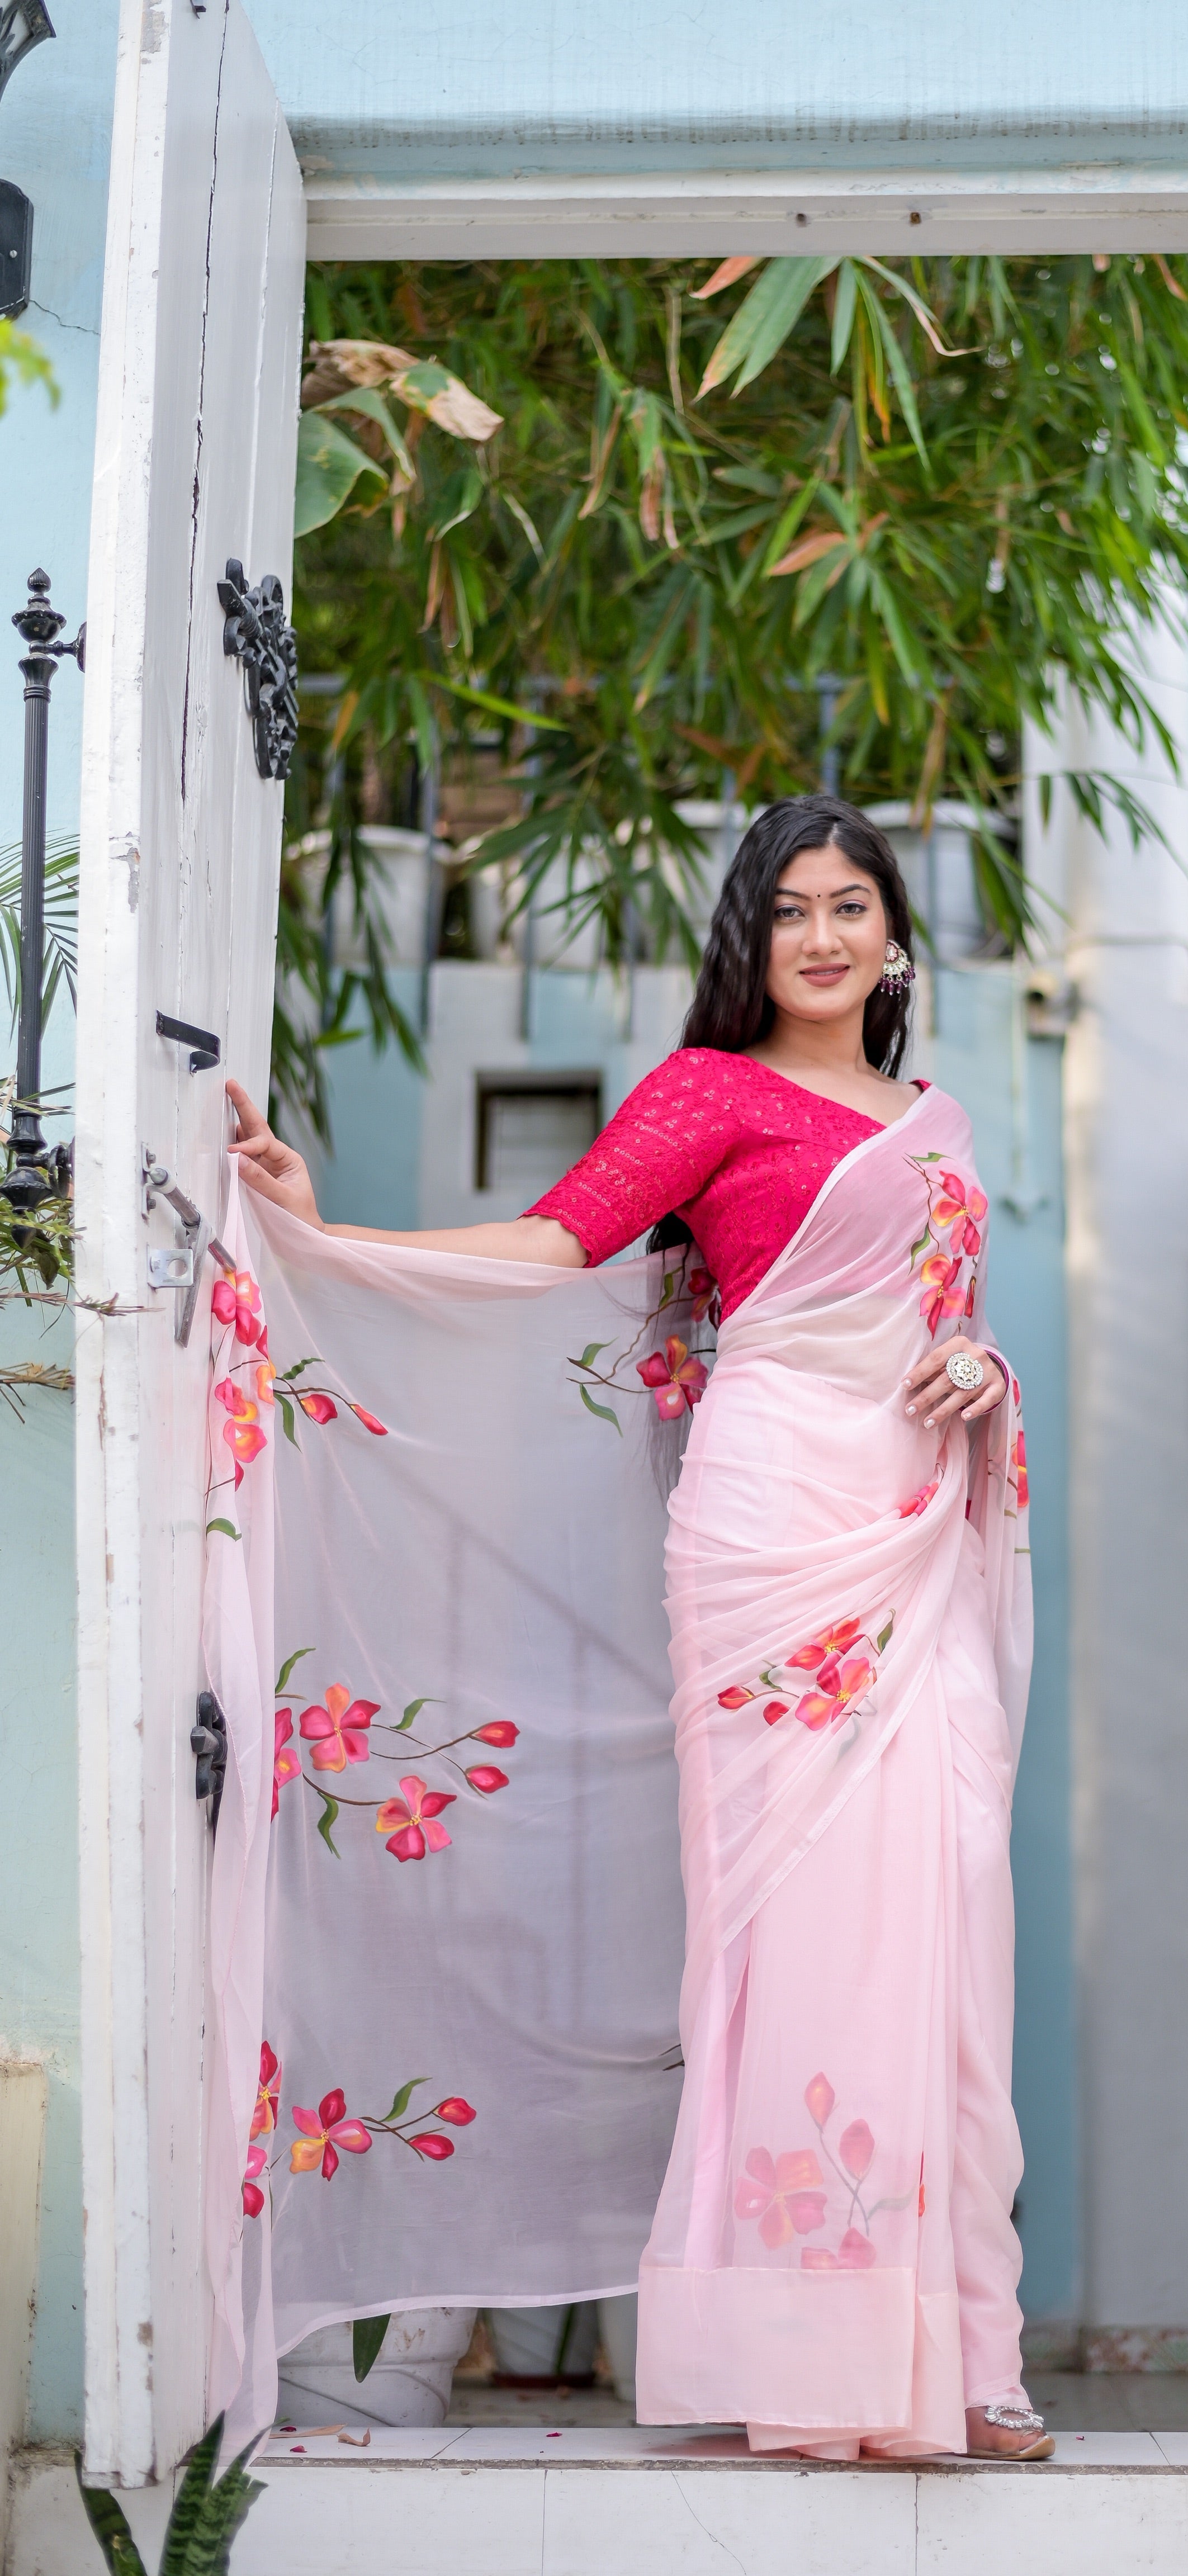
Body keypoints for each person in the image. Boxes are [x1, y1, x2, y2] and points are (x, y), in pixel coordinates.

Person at [225, 792, 1044, 2461]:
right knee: (798, 1930)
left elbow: (943, 1324)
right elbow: (551, 1247)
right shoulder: (708, 1096)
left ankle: (961, 2358)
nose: (822, 937)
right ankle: (808, 2361)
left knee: (949, 1910)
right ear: (749, 941)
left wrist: (983, 1369)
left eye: (851, 907)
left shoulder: (940, 1125)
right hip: (768, 1529)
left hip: (916, 1530)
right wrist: (312, 1235)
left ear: (896, 935)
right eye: (789, 911)